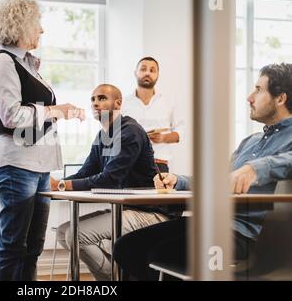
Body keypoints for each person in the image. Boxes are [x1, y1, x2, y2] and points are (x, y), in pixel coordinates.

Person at [113, 63, 292, 280]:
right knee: (126, 247)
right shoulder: (251, 142)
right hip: (212, 222)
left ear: (280, 99)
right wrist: (177, 180)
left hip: (245, 237)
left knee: (160, 255)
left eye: (258, 89)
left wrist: (255, 168)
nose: (249, 97)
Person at [0, 0, 85, 281]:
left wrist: (57, 112)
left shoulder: (28, 64)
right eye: (37, 23)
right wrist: (57, 110)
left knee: (32, 249)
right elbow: (11, 116)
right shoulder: (3, 62)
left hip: (38, 167)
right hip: (18, 165)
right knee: (13, 247)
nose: (41, 30)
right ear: (20, 25)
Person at [51, 84, 181, 281]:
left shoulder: (130, 131)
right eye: (93, 99)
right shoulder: (102, 136)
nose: (95, 103)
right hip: (127, 210)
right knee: (64, 232)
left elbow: (110, 180)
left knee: (74, 235)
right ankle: (122, 276)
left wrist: (60, 185)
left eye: (102, 98)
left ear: (118, 103)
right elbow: (86, 172)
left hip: (152, 212)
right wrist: (54, 183)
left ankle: (117, 280)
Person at [122, 57, 184, 172]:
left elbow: (181, 130)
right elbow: (111, 135)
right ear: (135, 73)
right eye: (143, 69)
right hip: (129, 164)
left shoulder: (169, 102)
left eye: (152, 70)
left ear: (158, 75)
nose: (147, 73)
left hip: (159, 164)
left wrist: (164, 138)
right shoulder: (122, 103)